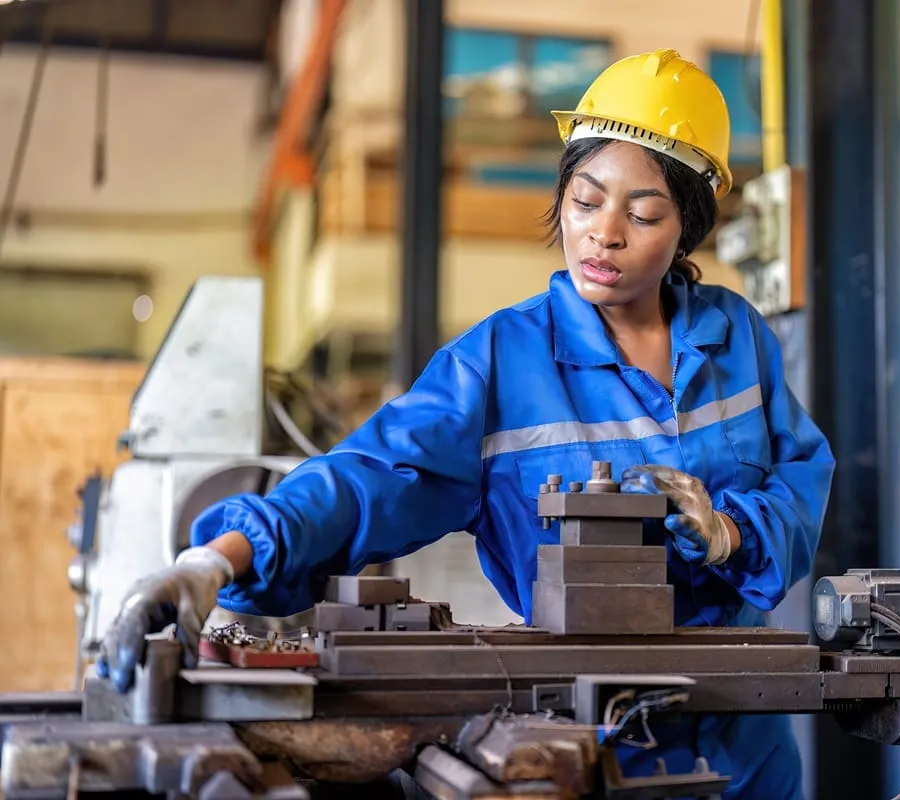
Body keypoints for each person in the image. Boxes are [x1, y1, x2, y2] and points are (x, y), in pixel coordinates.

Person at [96, 48, 835, 799]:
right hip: (585, 747)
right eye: (584, 201)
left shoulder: (737, 338)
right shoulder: (501, 361)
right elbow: (369, 476)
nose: (603, 234)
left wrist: (729, 532)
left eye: (642, 214)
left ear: (689, 226)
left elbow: (802, 481)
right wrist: (215, 561)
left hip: (746, 740)